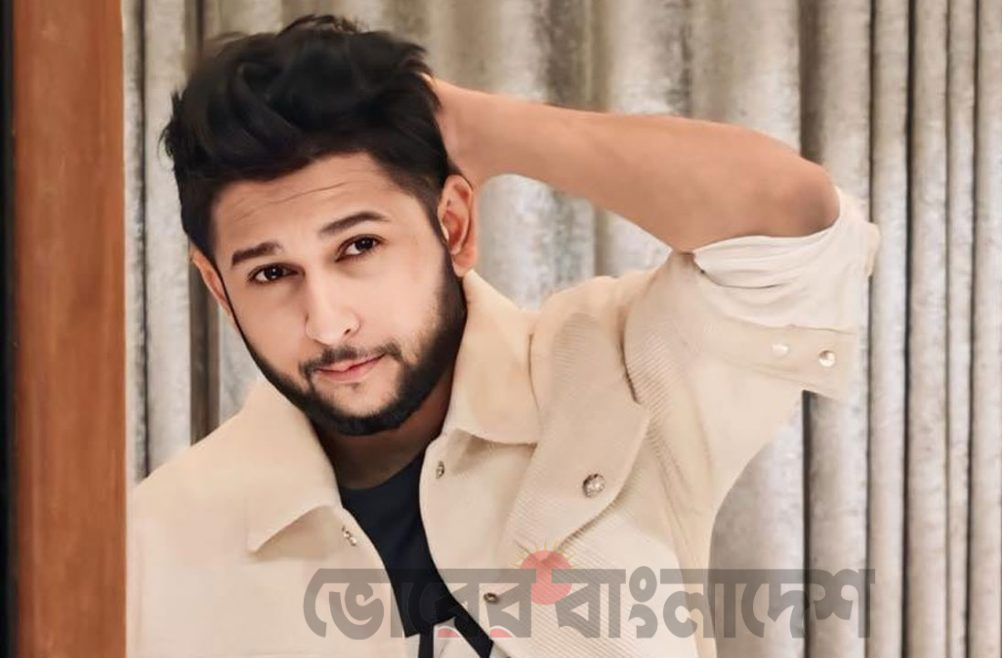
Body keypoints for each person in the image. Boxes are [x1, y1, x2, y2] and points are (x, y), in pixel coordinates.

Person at [129, 14, 880, 658]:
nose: (327, 323)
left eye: (359, 247)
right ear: (218, 286)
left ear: (453, 226)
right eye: (271, 274)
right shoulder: (155, 545)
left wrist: (469, 126)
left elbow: (790, 220)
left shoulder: (617, 379)